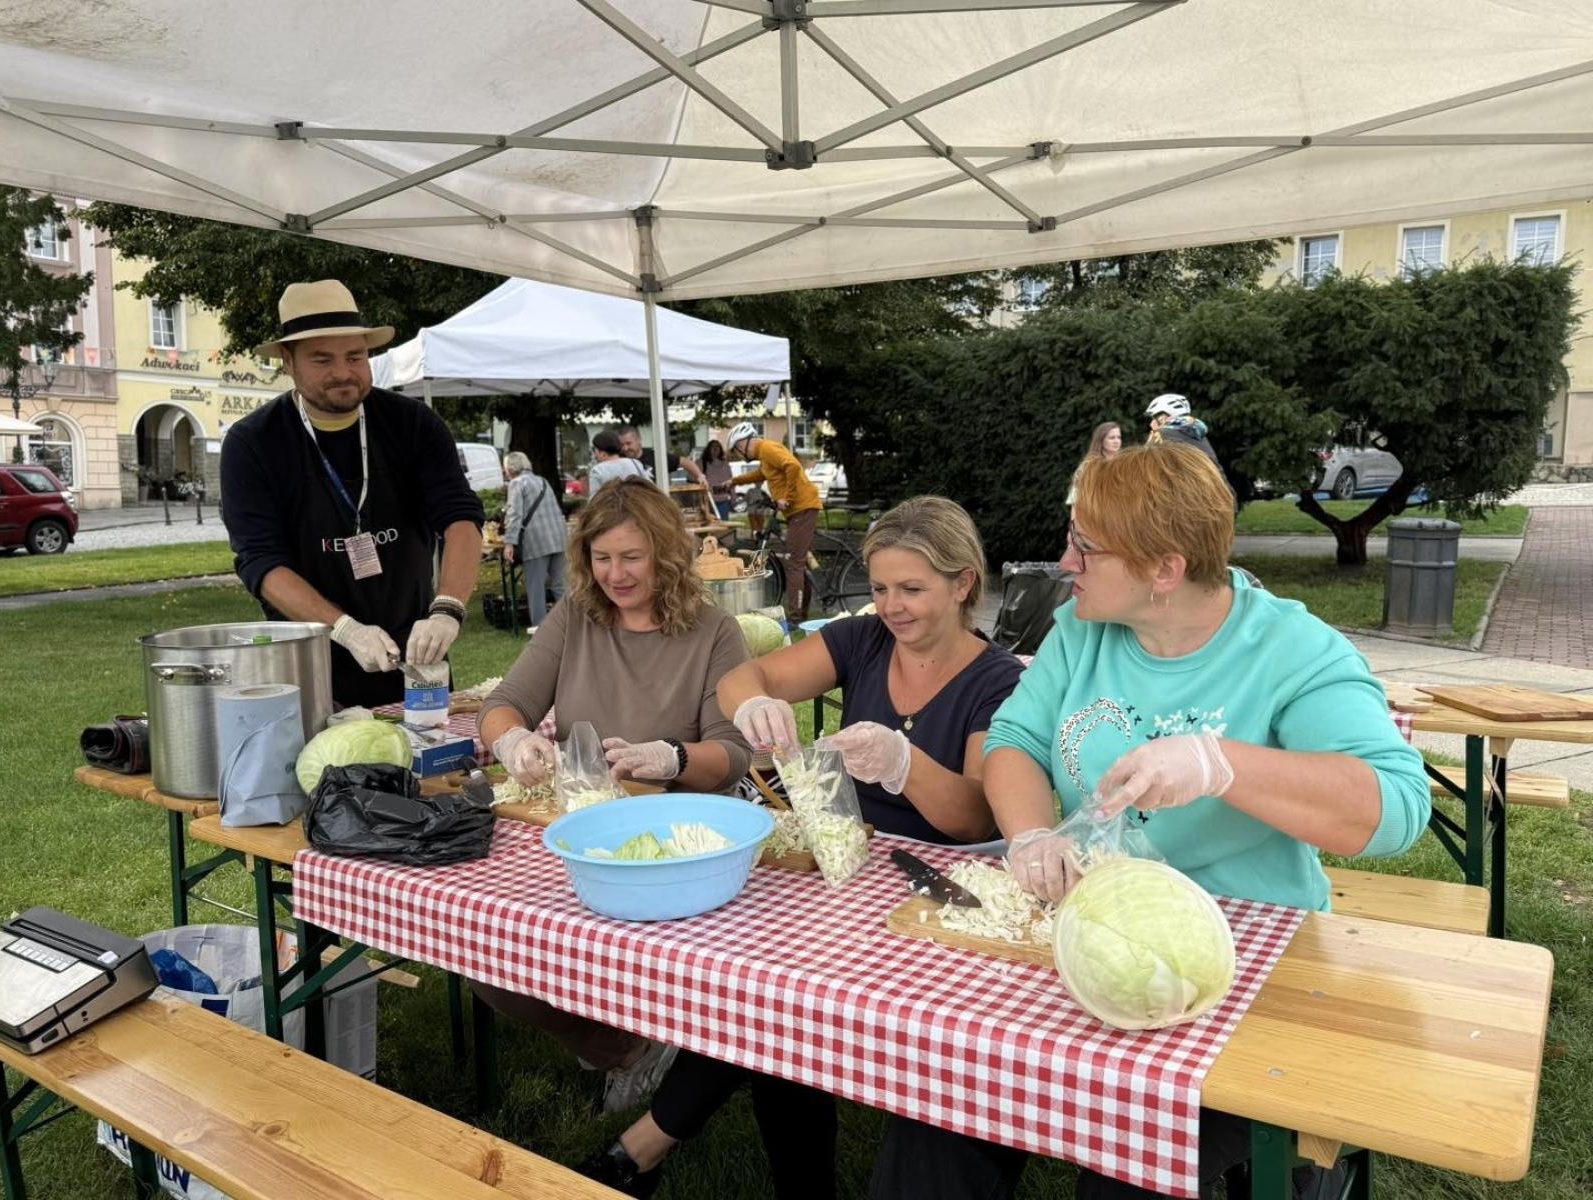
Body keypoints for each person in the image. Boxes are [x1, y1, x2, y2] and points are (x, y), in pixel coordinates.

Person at [873, 444, 1430, 1200]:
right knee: (937, 1113)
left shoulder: (1292, 650)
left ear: (1164, 570)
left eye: (1086, 547)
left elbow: (1396, 810)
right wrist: (1033, 833)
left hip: (1234, 973)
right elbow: (1015, 743)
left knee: (1127, 1169)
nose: (1065, 562)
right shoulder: (1081, 631)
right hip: (1084, 945)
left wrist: (1218, 763)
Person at [584, 496, 1024, 1199]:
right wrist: (752, 701)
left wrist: (904, 763)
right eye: (880, 589)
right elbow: (743, 678)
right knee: (760, 987)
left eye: (912, 589)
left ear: (964, 583)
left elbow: (974, 817)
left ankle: (646, 1148)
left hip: (933, 897)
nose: (892, 607)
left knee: (777, 1002)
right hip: (840, 862)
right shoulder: (864, 641)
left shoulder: (996, 680)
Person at [474, 477, 753, 1116]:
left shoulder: (715, 631)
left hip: (681, 844)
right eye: (602, 559)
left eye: (632, 557)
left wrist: (672, 758)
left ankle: (644, 1039)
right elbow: (502, 705)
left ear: (665, 553)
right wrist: (513, 741)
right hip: (583, 833)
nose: (616, 575)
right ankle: (623, 1048)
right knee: (487, 959)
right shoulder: (576, 616)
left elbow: (731, 755)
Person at [220, 279, 483, 708]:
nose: (343, 372)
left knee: (430, 769)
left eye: (355, 356)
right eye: (322, 359)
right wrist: (345, 629)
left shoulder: (413, 424)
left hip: (417, 655)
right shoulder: (253, 443)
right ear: (288, 361)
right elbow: (261, 562)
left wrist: (448, 608)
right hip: (307, 661)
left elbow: (460, 518)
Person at [726, 421, 823, 622]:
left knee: (793, 562)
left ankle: (795, 619)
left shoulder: (768, 448)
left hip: (802, 507)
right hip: (799, 509)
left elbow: (793, 466)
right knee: (798, 560)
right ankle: (802, 612)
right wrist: (734, 481)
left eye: (736, 451)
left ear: (743, 444)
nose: (738, 455)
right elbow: (761, 474)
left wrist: (787, 497)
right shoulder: (765, 456)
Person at [502, 450, 569, 629]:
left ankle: (540, 628)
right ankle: (574, 622)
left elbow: (515, 514)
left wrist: (509, 542)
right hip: (558, 537)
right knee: (560, 584)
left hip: (536, 541)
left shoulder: (516, 483)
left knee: (535, 587)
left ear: (510, 468)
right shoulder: (542, 481)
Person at [617, 424, 707, 486]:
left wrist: (700, 476)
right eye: (622, 445)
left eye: (628, 443)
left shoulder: (655, 456)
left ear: (639, 440)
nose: (625, 448)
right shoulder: (618, 460)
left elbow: (684, 461)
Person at [1066, 420, 1122, 506]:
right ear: (1101, 440)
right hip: (1096, 514)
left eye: (1119, 437)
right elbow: (1075, 498)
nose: (1116, 441)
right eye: (1112, 438)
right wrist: (1074, 519)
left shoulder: (1124, 465)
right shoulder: (1088, 466)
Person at [587, 429, 647, 497]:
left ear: (602, 452)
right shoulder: (636, 463)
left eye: (595, 451)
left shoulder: (597, 470)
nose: (595, 456)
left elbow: (594, 500)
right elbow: (648, 488)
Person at [699, 438, 734, 520]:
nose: (715, 449)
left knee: (723, 525)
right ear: (708, 449)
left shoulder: (725, 464)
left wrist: (733, 497)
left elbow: (731, 481)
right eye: (713, 447)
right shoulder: (701, 463)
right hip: (708, 501)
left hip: (723, 500)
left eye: (717, 447)